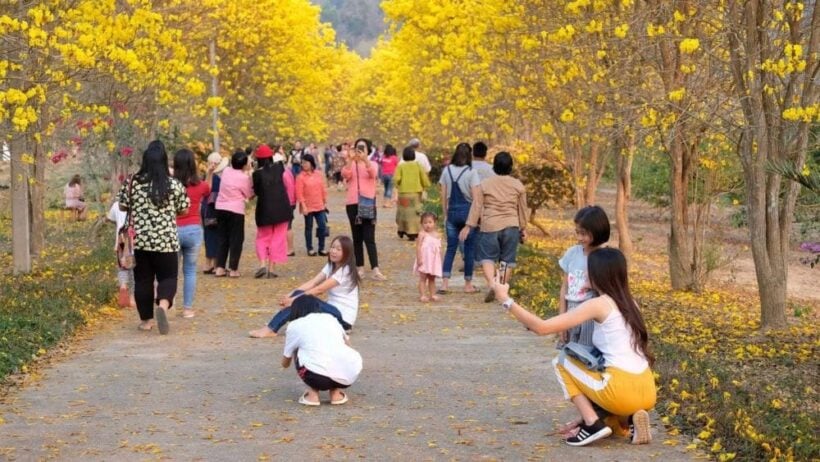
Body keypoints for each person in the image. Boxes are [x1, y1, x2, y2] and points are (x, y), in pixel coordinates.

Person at [492, 247, 656, 447]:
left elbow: (542, 328)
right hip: (647, 390)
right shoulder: (631, 303)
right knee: (600, 373)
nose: (584, 273)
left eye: (588, 269)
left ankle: (592, 423)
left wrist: (505, 300)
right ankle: (628, 419)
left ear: (598, 274)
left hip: (620, 389)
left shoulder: (599, 304)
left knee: (561, 360)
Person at [118, 140, 190, 334]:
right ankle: (163, 306)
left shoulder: (132, 182)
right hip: (166, 241)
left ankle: (146, 321)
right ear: (164, 160)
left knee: (143, 280)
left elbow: (122, 206)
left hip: (140, 240)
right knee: (168, 277)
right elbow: (184, 209)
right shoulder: (174, 184)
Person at [249, 235, 362, 338]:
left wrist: (294, 300)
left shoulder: (345, 271)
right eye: (333, 247)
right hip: (331, 311)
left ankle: (271, 328)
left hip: (343, 319)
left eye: (339, 249)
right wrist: (292, 294)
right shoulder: (331, 266)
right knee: (299, 295)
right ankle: (272, 325)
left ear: (347, 253)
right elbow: (313, 282)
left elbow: (319, 289)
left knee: (305, 300)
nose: (333, 251)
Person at [459, 152, 528, 302]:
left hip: (490, 226)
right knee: (506, 261)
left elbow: (476, 206)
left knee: (487, 258)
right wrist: (523, 228)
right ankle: (500, 287)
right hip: (511, 225)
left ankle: (491, 283)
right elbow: (523, 209)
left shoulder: (485, 184)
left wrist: (469, 225)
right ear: (511, 167)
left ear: (494, 167)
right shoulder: (518, 185)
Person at [281, 296, 363, 406]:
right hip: (348, 373)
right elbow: (347, 344)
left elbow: (286, 362)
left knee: (300, 349)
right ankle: (336, 394)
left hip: (315, 377)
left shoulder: (294, 325)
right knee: (333, 351)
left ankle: (313, 394)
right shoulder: (331, 318)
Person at [558, 206, 611, 347]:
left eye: (584, 234)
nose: (579, 238)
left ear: (598, 231)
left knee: (585, 357)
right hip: (570, 313)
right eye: (577, 232)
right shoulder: (572, 253)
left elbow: (606, 294)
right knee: (568, 356)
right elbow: (565, 288)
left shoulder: (605, 258)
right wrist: (561, 320)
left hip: (591, 317)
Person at [342, 138, 386, 280]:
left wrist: (365, 160)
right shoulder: (351, 164)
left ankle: (375, 269)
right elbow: (345, 174)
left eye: (363, 148)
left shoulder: (372, 163)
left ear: (368, 150)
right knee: (357, 238)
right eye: (357, 148)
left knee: (369, 237)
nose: (360, 150)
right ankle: (359, 267)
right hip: (353, 203)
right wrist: (351, 159)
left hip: (367, 202)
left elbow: (373, 174)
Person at [173, 149, 211, 318]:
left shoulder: (171, 185)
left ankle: (169, 304)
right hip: (193, 230)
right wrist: (209, 173)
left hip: (173, 230)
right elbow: (208, 190)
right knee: (189, 271)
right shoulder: (200, 185)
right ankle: (188, 309)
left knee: (170, 271)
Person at [439, 143, 478, 294]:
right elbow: (476, 198)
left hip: (452, 213)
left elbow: (443, 194)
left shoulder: (446, 170)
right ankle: (468, 284)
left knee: (450, 249)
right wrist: (472, 222)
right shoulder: (471, 172)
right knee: (469, 250)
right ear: (469, 155)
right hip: (467, 213)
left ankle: (444, 284)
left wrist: (445, 213)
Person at [252, 144, 294, 278]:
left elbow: (257, 192)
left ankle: (262, 264)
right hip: (282, 208)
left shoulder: (256, 174)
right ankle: (272, 268)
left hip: (264, 210)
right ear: (270, 156)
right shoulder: (280, 168)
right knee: (278, 237)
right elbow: (288, 184)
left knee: (262, 237)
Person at [214, 150, 254, 277]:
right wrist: (250, 173)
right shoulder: (244, 178)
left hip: (220, 208)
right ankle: (233, 269)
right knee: (236, 239)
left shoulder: (226, 171)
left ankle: (220, 267)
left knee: (222, 238)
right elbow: (249, 195)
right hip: (235, 210)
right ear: (244, 165)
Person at [393, 146, 430, 241]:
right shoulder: (418, 166)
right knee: (414, 213)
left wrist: (397, 185)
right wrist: (425, 186)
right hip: (415, 194)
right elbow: (424, 180)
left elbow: (396, 179)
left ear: (404, 156)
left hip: (403, 193)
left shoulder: (401, 166)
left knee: (403, 212)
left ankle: (401, 229)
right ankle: (413, 232)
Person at [295, 153, 328, 256]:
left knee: (322, 225)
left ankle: (321, 248)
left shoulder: (318, 174)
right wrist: (303, 206)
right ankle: (310, 248)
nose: (303, 164)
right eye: (302, 162)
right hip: (307, 206)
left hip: (319, 205)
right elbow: (299, 193)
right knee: (309, 227)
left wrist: (324, 202)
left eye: (306, 162)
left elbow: (323, 188)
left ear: (311, 163)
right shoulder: (300, 177)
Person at [202, 152, 227, 274]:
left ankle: (209, 263)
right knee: (215, 235)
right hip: (214, 208)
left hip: (208, 208)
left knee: (210, 235)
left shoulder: (209, 175)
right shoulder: (216, 176)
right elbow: (208, 189)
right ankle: (214, 264)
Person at [107, 200, 134, 308]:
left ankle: (123, 287)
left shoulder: (116, 204)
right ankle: (132, 299)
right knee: (134, 270)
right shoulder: (137, 202)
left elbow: (110, 218)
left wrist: (119, 222)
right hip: (133, 241)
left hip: (120, 240)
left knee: (122, 267)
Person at [414, 212, 443, 302]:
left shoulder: (437, 235)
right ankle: (422, 295)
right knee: (423, 278)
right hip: (424, 259)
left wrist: (439, 260)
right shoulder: (422, 234)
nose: (428, 225)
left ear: (434, 223)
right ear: (422, 224)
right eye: (425, 223)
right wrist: (419, 258)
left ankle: (432, 294)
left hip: (433, 260)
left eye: (430, 222)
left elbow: (439, 248)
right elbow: (418, 246)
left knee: (432, 278)